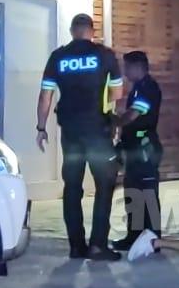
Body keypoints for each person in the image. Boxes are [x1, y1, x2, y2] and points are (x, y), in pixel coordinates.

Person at [37, 14, 124, 261]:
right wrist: (110, 115)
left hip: (71, 133)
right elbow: (117, 93)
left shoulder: (58, 57)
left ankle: (76, 246)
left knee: (72, 187)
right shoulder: (105, 55)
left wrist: (41, 127)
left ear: (72, 31)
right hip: (97, 131)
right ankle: (98, 245)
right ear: (91, 31)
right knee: (104, 185)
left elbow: (45, 96)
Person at [111, 51, 164, 252]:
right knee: (133, 193)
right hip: (135, 147)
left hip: (144, 148)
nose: (125, 72)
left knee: (147, 194)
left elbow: (133, 115)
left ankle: (152, 240)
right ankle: (133, 236)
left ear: (137, 67)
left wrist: (115, 121)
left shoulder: (147, 88)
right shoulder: (138, 88)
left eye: (127, 67)